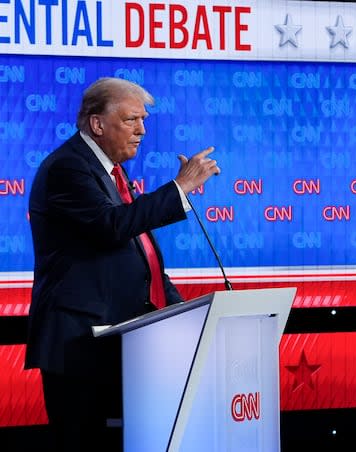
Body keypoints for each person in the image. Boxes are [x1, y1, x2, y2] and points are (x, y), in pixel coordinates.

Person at [25, 77, 221, 452]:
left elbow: (141, 254)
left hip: (116, 345)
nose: (142, 130)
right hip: (78, 349)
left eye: (143, 120)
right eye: (132, 120)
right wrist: (179, 188)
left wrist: (184, 312)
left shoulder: (112, 171)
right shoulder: (68, 168)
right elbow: (112, 227)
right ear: (97, 124)